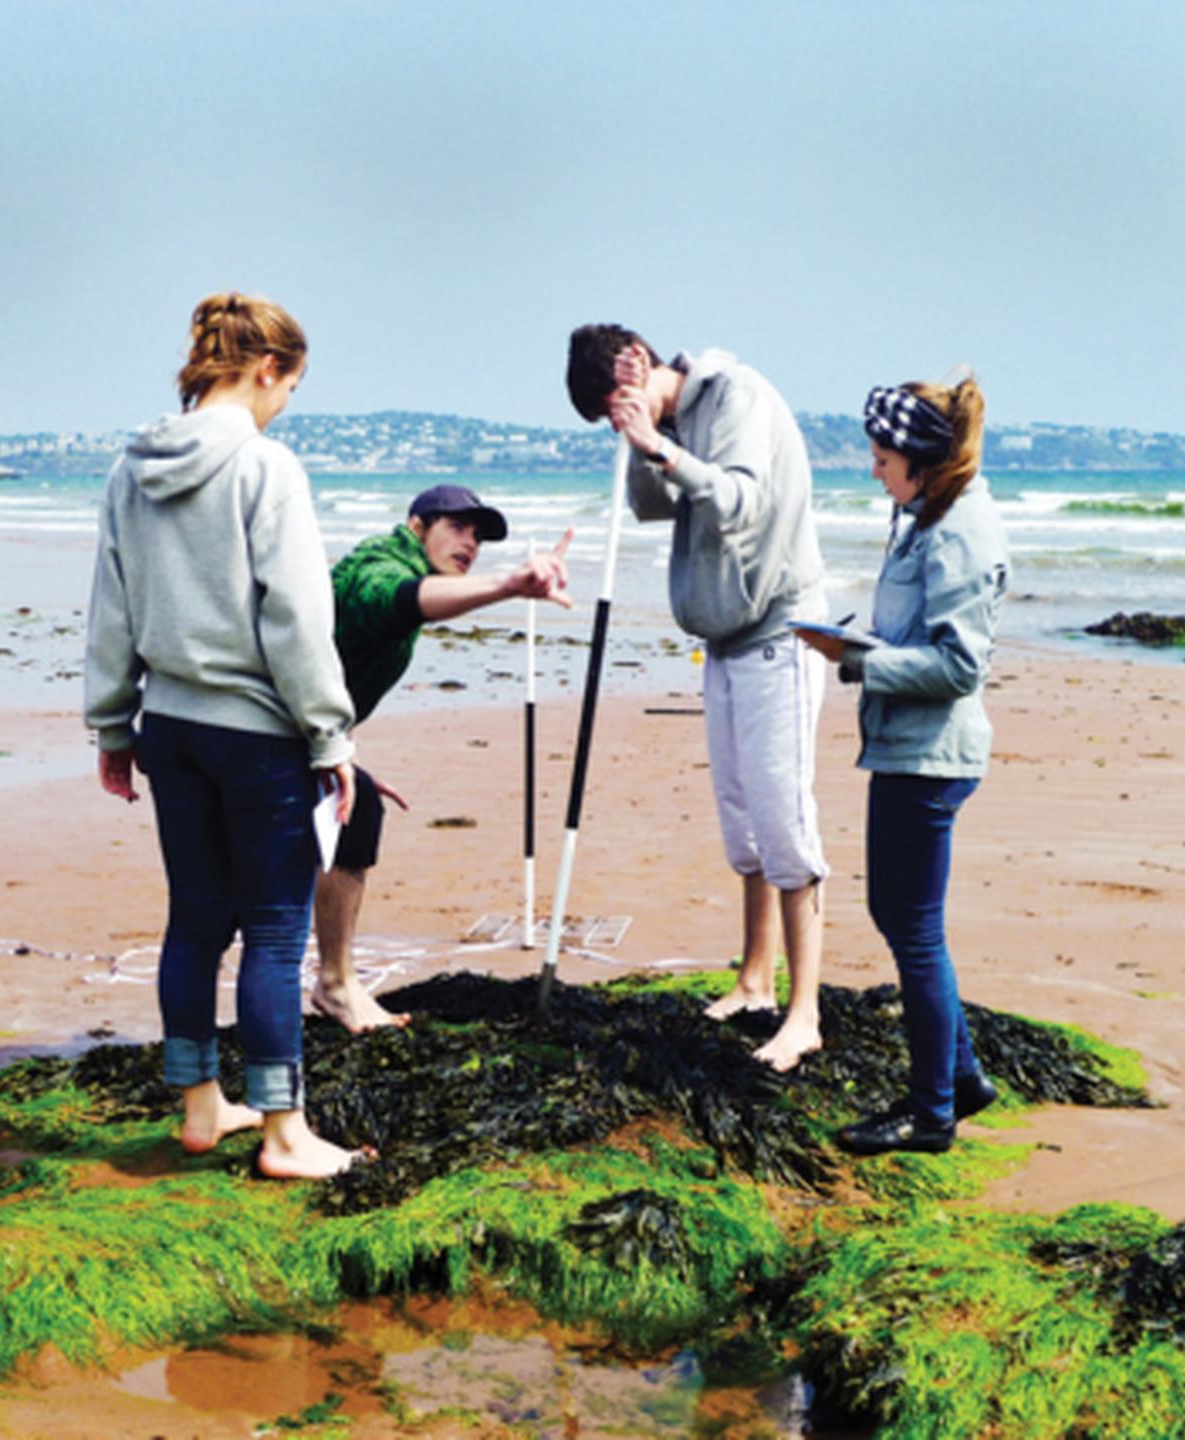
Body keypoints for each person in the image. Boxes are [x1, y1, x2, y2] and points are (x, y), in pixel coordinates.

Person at [85, 291, 368, 1180]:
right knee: (278, 933)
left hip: (168, 726)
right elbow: (294, 615)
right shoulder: (264, 468)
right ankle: (285, 1134)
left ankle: (201, 1105)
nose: (286, 404)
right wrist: (331, 735)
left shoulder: (130, 469)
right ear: (265, 368)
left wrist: (110, 724)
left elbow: (112, 605)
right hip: (255, 735)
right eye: (290, 385)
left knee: (195, 922)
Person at [565, 324, 829, 1071]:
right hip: (722, 636)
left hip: (779, 629)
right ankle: (755, 980)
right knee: (743, 823)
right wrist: (644, 440)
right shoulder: (670, 422)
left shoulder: (736, 397)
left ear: (643, 364)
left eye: (616, 405)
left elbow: (741, 500)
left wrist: (658, 444)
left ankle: (804, 1011)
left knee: (785, 825)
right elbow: (653, 505)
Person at [797, 376, 1010, 1154]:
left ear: (921, 460)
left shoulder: (958, 532)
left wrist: (857, 661)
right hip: (911, 749)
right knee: (901, 918)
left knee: (914, 933)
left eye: (883, 458)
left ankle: (931, 1115)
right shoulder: (931, 514)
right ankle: (965, 1078)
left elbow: (959, 667)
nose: (874, 470)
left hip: (929, 756)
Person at [314, 486, 572, 1031]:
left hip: (303, 732)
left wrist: (343, 757)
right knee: (241, 889)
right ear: (417, 524)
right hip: (262, 730)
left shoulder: (400, 563)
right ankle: (334, 985)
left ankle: (335, 982)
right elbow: (398, 598)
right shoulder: (378, 566)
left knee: (360, 810)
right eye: (457, 528)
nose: (470, 544)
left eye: (478, 537)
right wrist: (509, 585)